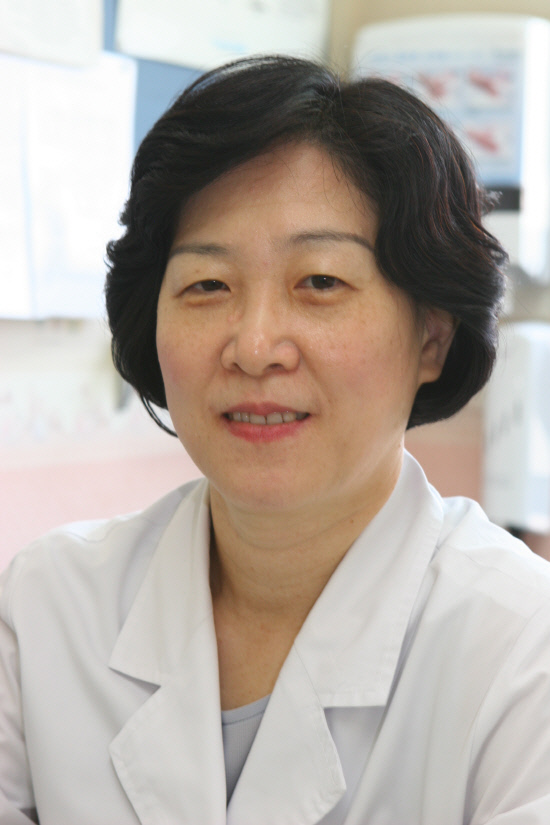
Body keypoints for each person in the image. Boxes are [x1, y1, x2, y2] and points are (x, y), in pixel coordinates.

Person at [1, 55, 550, 825]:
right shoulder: (46, 606)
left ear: (432, 335)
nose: (255, 346)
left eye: (320, 281)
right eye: (207, 284)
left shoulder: (523, 648)